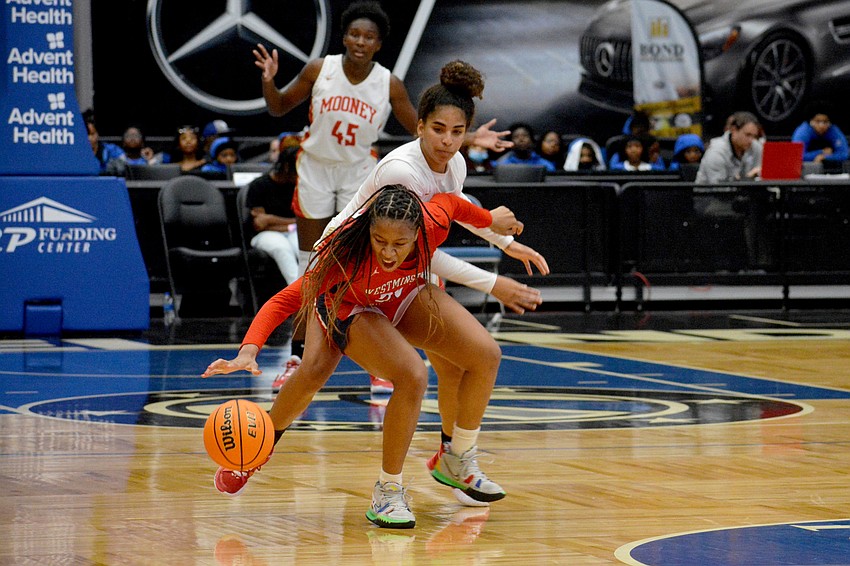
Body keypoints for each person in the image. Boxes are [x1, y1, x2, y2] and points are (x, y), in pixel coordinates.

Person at [203, 184, 526, 529]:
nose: (389, 252)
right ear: (369, 230)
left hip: (402, 294)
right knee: (325, 373)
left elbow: (452, 204)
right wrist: (247, 351)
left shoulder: (433, 221)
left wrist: (490, 219)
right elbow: (282, 301)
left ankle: (456, 457)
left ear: (418, 232)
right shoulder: (344, 255)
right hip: (345, 302)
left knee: (486, 354)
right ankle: (377, 488)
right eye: (380, 241)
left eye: (400, 244)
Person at [318, 60, 549, 503]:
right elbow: (427, 252)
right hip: (346, 277)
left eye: (457, 131)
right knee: (316, 376)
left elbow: (456, 206)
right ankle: (265, 457)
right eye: (438, 129)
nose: (447, 140)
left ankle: (456, 458)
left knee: (479, 356)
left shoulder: (455, 163)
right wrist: (492, 283)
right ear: (418, 126)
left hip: (402, 274)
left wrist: (505, 243)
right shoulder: (402, 173)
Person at [254, 2, 514, 392]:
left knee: (382, 264)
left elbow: (420, 126)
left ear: (379, 44)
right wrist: (269, 81)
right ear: (343, 36)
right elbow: (277, 107)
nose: (361, 41)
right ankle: (297, 354)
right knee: (312, 270)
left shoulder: (388, 83)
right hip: (316, 170)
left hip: (361, 171)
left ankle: (381, 360)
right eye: (355, 34)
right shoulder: (318, 69)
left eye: (369, 36)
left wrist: (471, 136)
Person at [696, 111, 772, 268]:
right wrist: (747, 179)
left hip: (743, 198)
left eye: (754, 136)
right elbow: (719, 189)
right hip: (709, 200)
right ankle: (747, 264)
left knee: (764, 210)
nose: (751, 140)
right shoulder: (716, 152)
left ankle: (765, 264)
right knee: (749, 213)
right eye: (747, 135)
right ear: (734, 131)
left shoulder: (755, 147)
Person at [244, 145, 300, 291]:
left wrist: (271, 219)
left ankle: (312, 293)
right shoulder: (259, 185)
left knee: (303, 248)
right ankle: (300, 297)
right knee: (282, 248)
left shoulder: (299, 186)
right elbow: (260, 224)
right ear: (287, 167)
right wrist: (293, 222)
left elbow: (303, 221)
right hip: (264, 235)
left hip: (293, 230)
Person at [791, 101, 849, 165]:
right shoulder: (802, 132)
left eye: (825, 122)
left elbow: (844, 154)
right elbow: (797, 156)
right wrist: (821, 152)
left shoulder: (833, 129)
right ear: (811, 121)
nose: (821, 126)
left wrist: (825, 157)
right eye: (817, 121)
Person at [491, 123, 556, 172]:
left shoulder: (546, 165)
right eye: (516, 137)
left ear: (532, 141)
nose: (521, 139)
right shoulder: (501, 165)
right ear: (510, 142)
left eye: (525, 135)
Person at [82, 109, 124, 174]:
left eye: (92, 134)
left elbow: (124, 165)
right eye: (85, 135)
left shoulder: (113, 150)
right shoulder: (75, 153)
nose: (89, 138)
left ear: (97, 134)